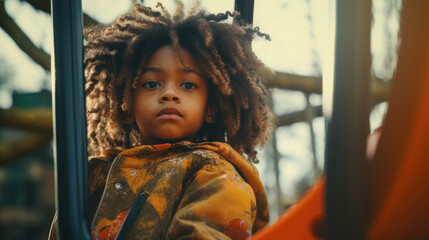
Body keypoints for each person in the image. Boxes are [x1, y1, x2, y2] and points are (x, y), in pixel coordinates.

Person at [50, 1, 273, 239]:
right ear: (126, 105)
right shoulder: (91, 178)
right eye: (151, 84)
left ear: (211, 109)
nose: (169, 93)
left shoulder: (214, 172)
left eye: (188, 85)